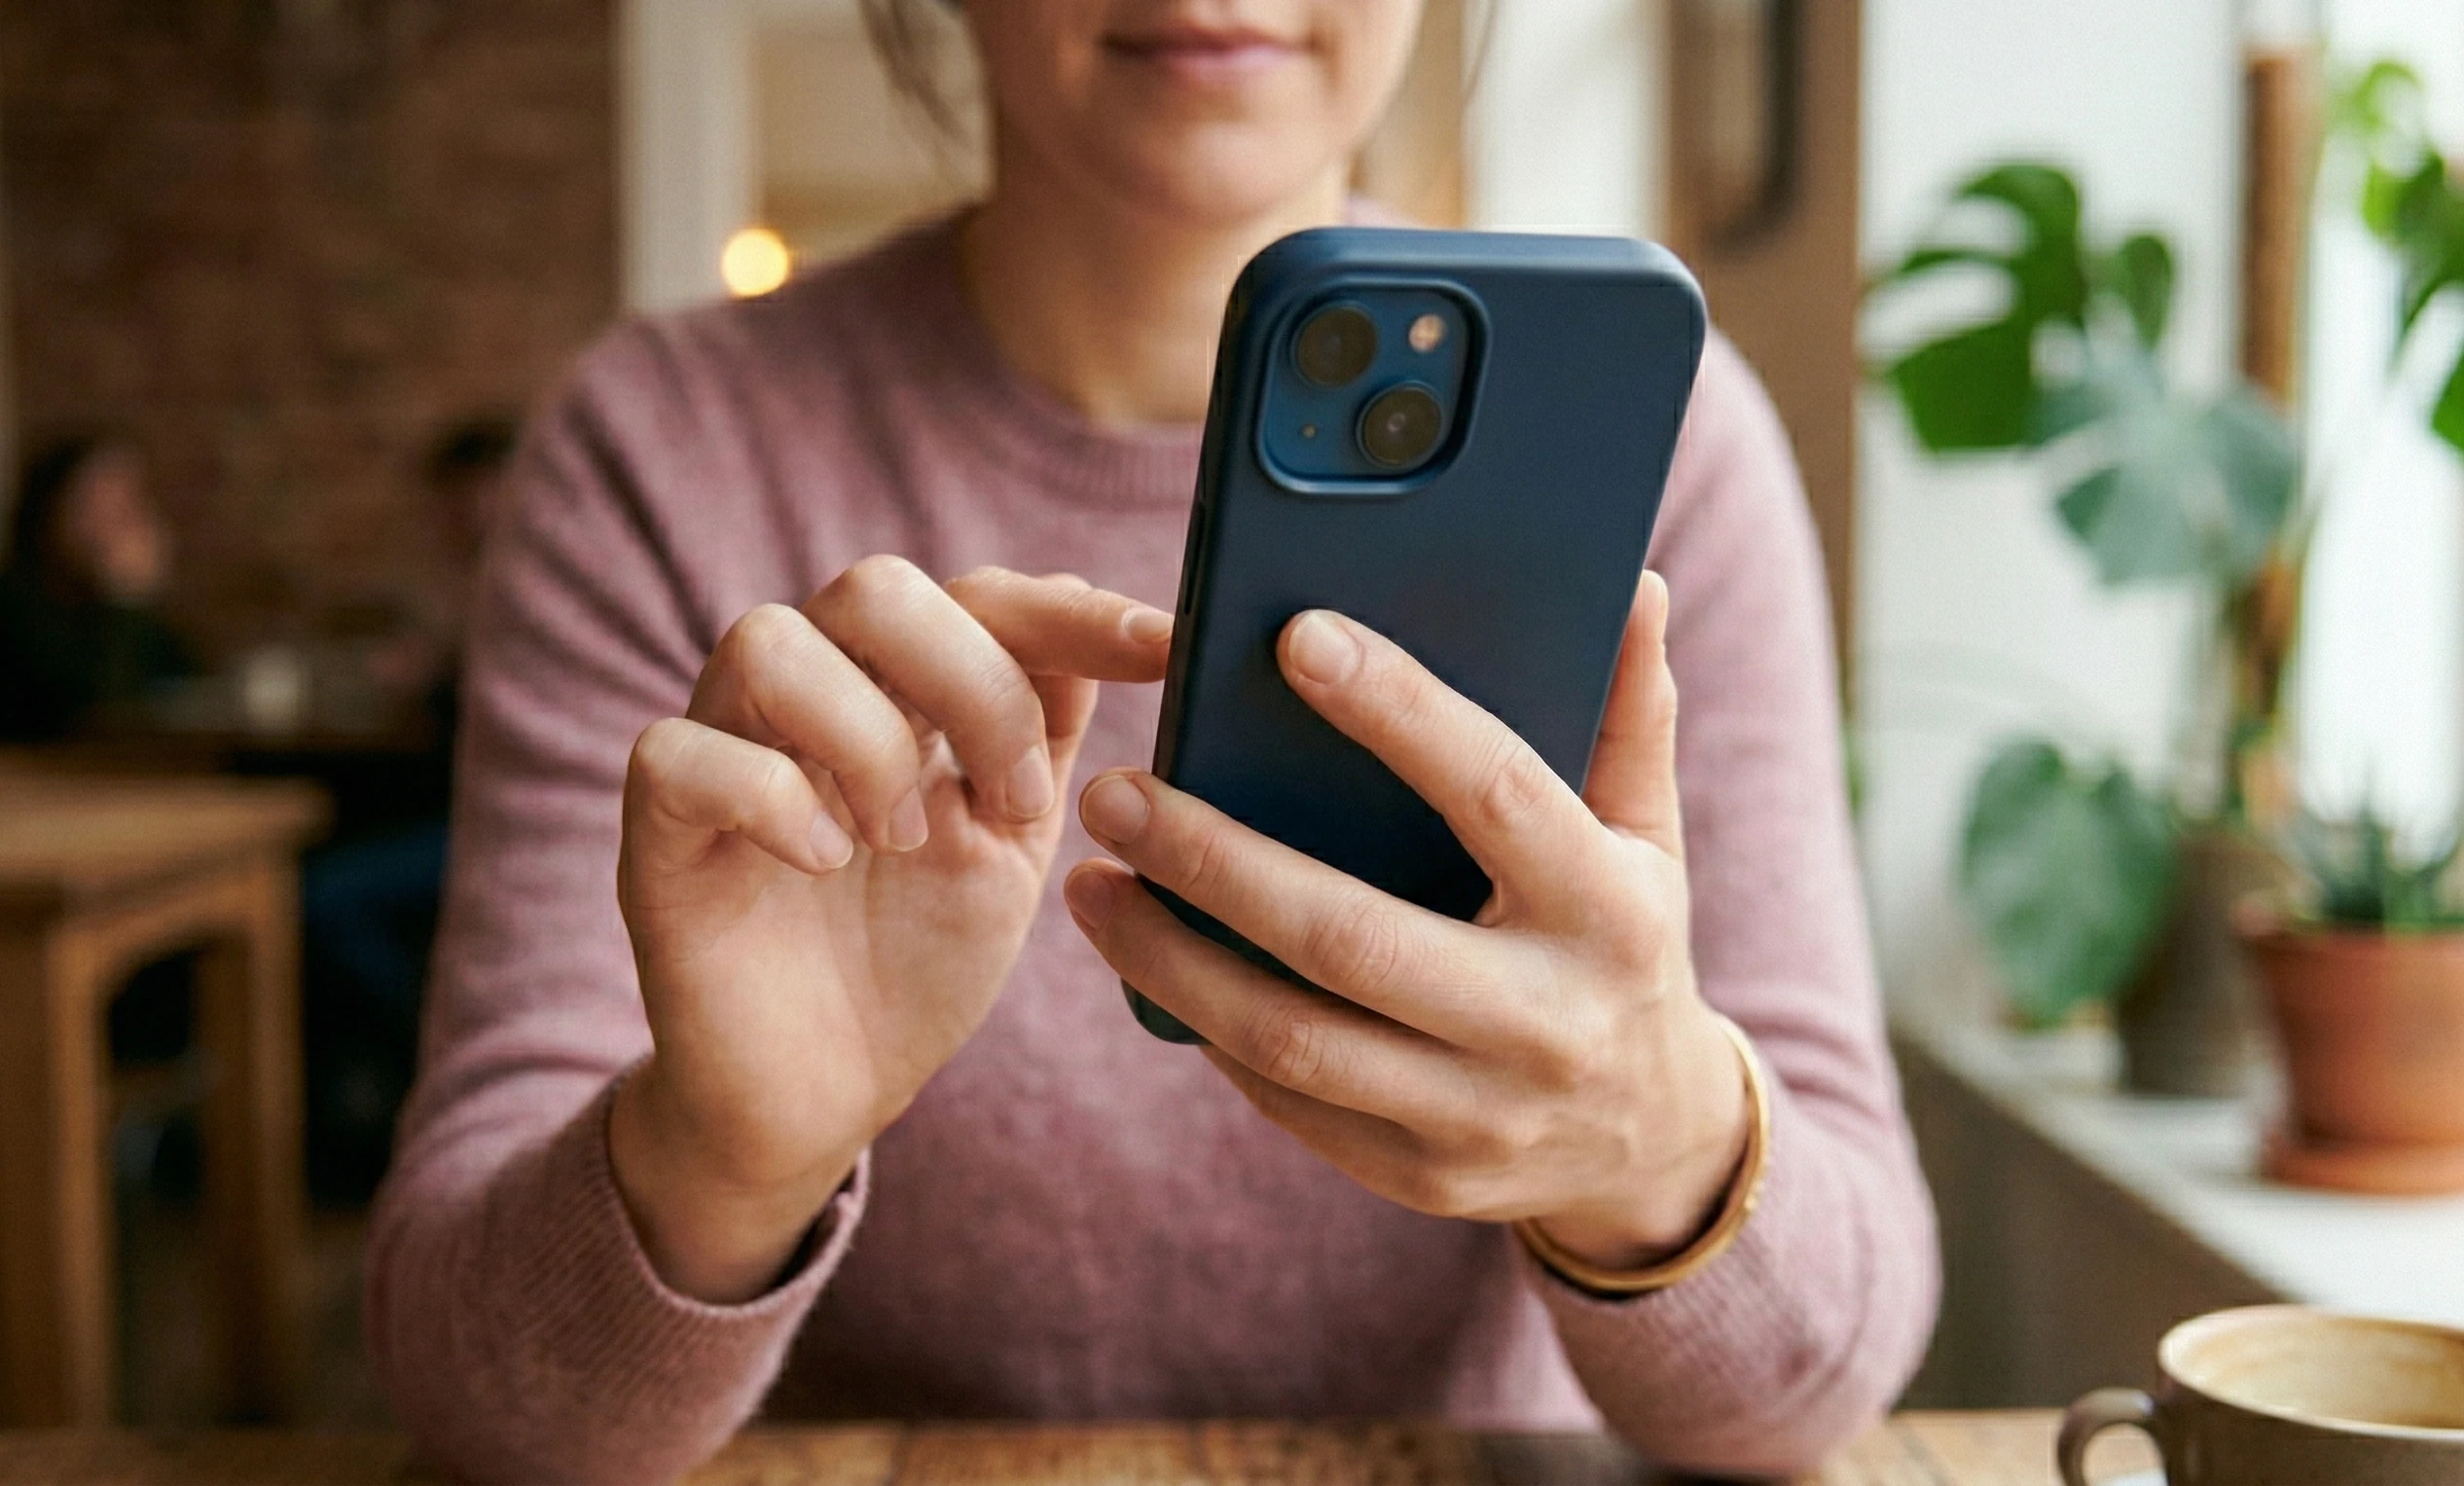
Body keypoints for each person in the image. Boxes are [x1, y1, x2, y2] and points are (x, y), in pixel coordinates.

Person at [367, 3, 1939, 1481]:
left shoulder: (1659, 448)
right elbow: (470, 1396)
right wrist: (717, 1157)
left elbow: (1824, 1370)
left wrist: (1655, 1138)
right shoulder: (659, 455)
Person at [0, 434, 193, 742]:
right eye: (97, 505)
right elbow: (94, 719)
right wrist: (128, 600)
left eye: (127, 506)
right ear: (50, 512)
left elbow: (181, 686)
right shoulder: (16, 609)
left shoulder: (116, 611)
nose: (114, 527)